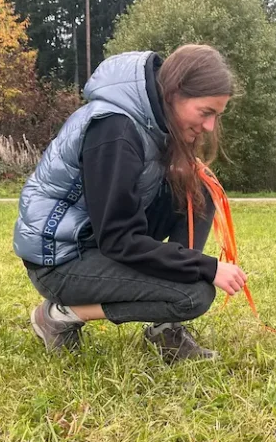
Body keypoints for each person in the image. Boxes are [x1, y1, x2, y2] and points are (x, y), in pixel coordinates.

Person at [13, 45, 247, 362]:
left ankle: (165, 329)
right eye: (206, 112)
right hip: (61, 260)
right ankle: (59, 315)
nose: (209, 127)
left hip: (95, 241)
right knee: (194, 294)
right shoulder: (115, 130)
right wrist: (207, 267)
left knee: (198, 191)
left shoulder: (150, 120)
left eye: (216, 116)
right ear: (174, 93)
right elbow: (119, 239)